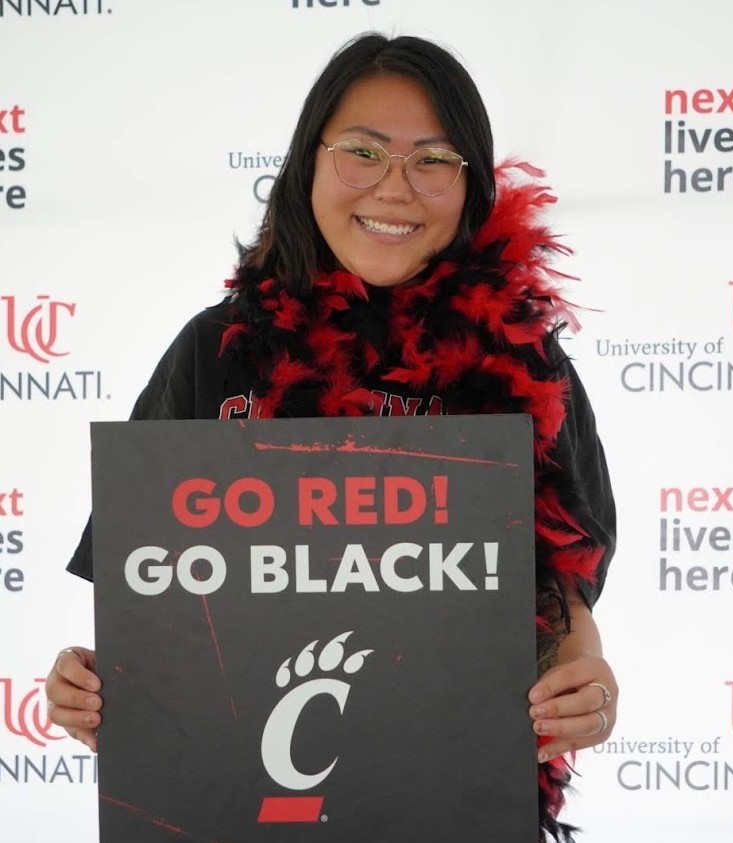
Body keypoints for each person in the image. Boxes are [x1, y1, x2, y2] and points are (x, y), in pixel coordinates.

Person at [45, 32, 617, 843]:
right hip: (237, 806)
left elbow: (562, 589)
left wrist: (580, 684)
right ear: (306, 163)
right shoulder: (216, 350)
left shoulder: (529, 362)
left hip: (450, 798)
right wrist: (91, 687)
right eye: (363, 152)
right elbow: (147, 609)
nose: (395, 188)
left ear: (471, 183)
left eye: (434, 159)